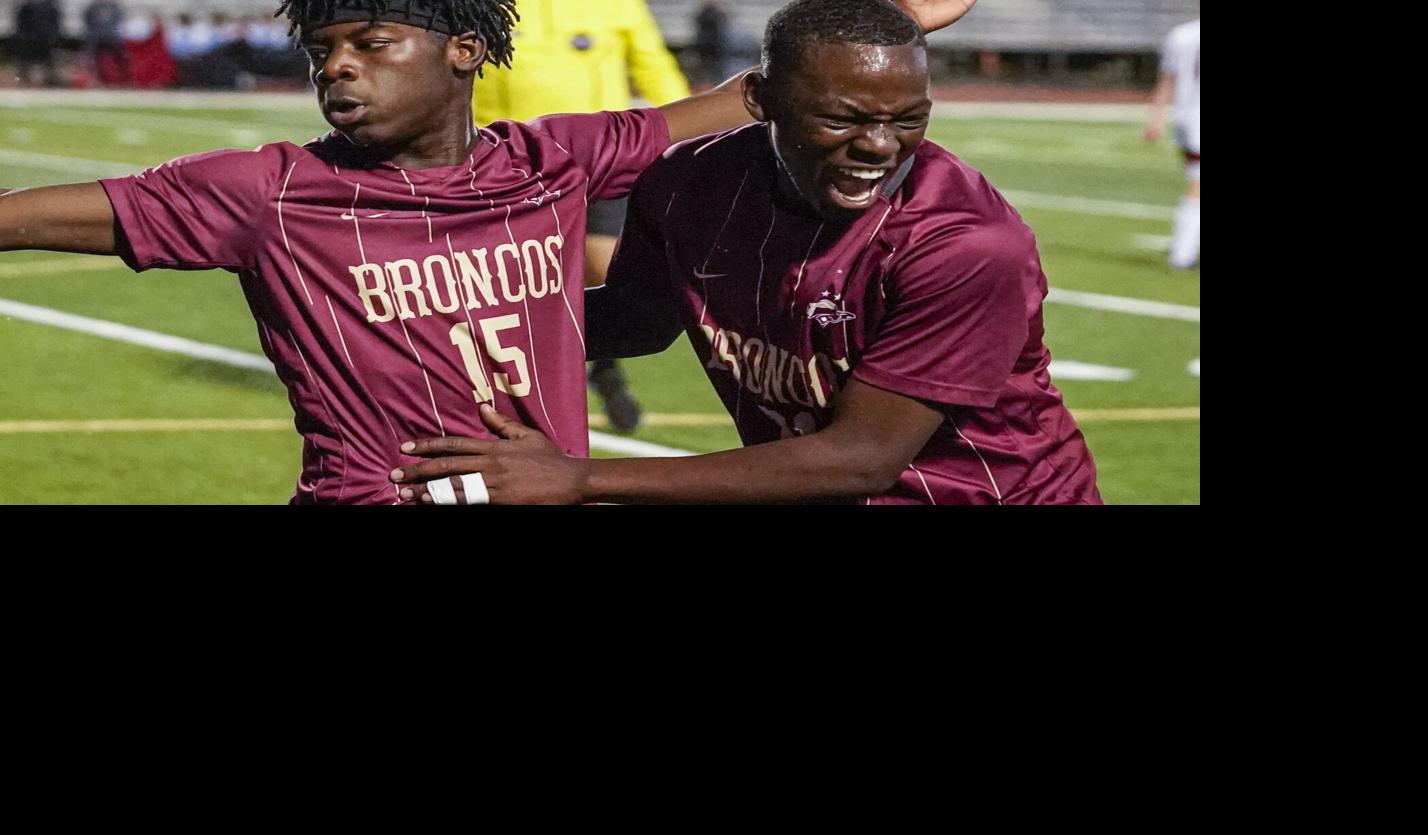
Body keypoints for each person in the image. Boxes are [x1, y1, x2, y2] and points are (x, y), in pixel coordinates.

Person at [0, 0, 971, 506]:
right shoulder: (267, 191)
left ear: (463, 50)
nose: (337, 65)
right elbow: (24, 216)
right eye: (322, 51)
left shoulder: (552, 162)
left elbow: (745, 98)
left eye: (372, 42)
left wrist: (873, 17)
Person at [392, 0, 1100, 505]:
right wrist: (438, 335)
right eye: (842, 118)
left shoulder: (966, 244)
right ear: (760, 101)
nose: (880, 146)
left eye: (906, 118)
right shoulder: (688, 181)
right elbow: (637, 318)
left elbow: (860, 459)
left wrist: (581, 478)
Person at [472, 0, 694, 434]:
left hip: (600, 159)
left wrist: (692, 131)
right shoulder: (487, 6)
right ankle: (499, 385)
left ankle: (601, 364)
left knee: (605, 267)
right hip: (504, 164)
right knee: (506, 284)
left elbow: (653, 66)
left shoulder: (617, 6)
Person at [1143, 13, 1199, 270]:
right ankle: (1183, 252)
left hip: (1186, 118)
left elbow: (1167, 80)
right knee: (1197, 186)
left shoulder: (1181, 34)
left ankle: (1183, 249)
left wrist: (1156, 118)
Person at [13, 0, 64, 87]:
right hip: (30, 41)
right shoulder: (26, 7)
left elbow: (56, 24)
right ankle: (22, 83)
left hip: (46, 40)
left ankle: (53, 83)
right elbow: (20, 25)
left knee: (49, 64)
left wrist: (53, 38)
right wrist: (23, 38)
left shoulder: (51, 7)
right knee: (25, 64)